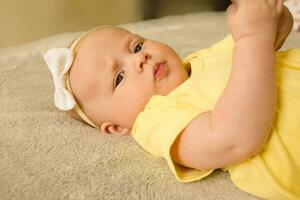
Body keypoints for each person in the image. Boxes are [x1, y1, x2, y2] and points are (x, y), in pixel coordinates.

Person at [44, 0, 300, 199]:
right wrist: (254, 39)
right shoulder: (156, 119)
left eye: (136, 46)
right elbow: (232, 140)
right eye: (119, 78)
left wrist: (264, 15)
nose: (139, 59)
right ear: (117, 127)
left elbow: (274, 31)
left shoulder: (200, 59)